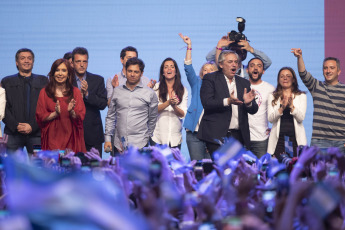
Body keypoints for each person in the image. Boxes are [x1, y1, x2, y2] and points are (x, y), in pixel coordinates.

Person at [197, 50, 258, 156]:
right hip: (216, 134)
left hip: (238, 135)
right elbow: (207, 103)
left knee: (236, 169)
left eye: (236, 62)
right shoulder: (210, 79)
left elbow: (254, 109)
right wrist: (227, 101)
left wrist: (248, 103)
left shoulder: (244, 82)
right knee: (220, 167)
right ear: (220, 64)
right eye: (230, 62)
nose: (234, 64)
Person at [291, 48, 345, 152]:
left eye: (332, 68)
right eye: (325, 68)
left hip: (341, 142)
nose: (328, 71)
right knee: (318, 168)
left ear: (339, 71)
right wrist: (299, 57)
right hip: (319, 141)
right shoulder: (317, 86)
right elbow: (303, 74)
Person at [104, 57, 158, 153]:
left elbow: (153, 118)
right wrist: (108, 139)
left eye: (136, 72)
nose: (132, 74)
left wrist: (147, 136)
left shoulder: (149, 93)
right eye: (130, 71)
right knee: (118, 168)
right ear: (125, 71)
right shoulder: (117, 91)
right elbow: (110, 117)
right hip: (119, 144)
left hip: (141, 144)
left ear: (141, 73)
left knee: (139, 169)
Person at [1, 48, 48, 154]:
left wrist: (32, 126)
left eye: (29, 58)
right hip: (13, 134)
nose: (26, 61)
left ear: (33, 62)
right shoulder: (6, 81)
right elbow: (3, 108)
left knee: (38, 166)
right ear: (17, 62)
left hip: (36, 134)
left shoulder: (43, 81)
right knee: (12, 167)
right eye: (23, 58)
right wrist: (16, 125)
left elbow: (46, 107)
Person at [179, 33, 218, 160]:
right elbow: (188, 67)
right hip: (194, 133)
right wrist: (189, 46)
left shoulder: (221, 87)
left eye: (211, 69)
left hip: (212, 134)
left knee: (212, 169)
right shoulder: (196, 83)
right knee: (197, 168)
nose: (207, 72)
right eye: (205, 69)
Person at [36, 59, 86, 153]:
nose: (60, 73)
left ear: (68, 74)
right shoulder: (44, 92)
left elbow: (80, 117)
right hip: (51, 139)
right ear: (53, 73)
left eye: (64, 70)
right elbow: (40, 116)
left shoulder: (75, 92)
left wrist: (71, 111)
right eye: (57, 70)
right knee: (53, 165)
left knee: (70, 165)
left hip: (72, 139)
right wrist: (55, 113)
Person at [71, 47, 107, 156]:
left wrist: (87, 94)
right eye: (78, 61)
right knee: (72, 169)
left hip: (93, 135)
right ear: (72, 63)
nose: (82, 65)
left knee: (95, 170)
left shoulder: (98, 80)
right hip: (71, 133)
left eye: (84, 61)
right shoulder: (66, 80)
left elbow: (102, 104)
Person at [267, 67, 307, 160]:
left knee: (294, 171)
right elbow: (270, 119)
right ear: (278, 79)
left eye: (288, 76)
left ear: (293, 80)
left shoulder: (301, 96)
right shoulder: (272, 96)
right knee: (280, 171)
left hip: (295, 140)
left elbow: (301, 118)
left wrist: (292, 107)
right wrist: (281, 108)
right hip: (279, 140)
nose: (285, 78)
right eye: (282, 76)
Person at [151, 58, 188, 149]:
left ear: (176, 72)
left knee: (175, 163)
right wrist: (168, 103)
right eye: (166, 67)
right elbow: (152, 110)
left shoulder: (183, 89)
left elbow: (183, 114)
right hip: (157, 138)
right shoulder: (156, 88)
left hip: (175, 139)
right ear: (163, 72)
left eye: (172, 67)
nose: (169, 69)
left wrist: (174, 106)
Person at [206, 36, 272, 79]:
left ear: (244, 54)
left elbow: (267, 62)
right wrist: (222, 45)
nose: (235, 55)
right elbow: (209, 58)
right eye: (233, 51)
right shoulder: (223, 69)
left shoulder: (248, 71)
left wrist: (250, 49)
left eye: (238, 52)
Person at [246, 57, 275, 158]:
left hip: (261, 139)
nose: (255, 68)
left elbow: (276, 112)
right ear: (247, 70)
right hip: (242, 138)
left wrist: (275, 129)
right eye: (252, 65)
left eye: (259, 66)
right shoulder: (241, 86)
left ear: (263, 71)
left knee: (261, 171)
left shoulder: (270, 89)